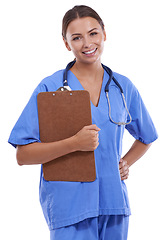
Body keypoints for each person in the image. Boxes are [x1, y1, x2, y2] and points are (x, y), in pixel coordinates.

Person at [8, 5, 158, 240]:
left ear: (104, 33)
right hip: (69, 207)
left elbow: (146, 136)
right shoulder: (50, 88)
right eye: (76, 37)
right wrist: (74, 143)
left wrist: (126, 163)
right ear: (67, 43)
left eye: (93, 33)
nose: (87, 43)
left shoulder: (123, 87)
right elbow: (23, 155)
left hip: (114, 205)